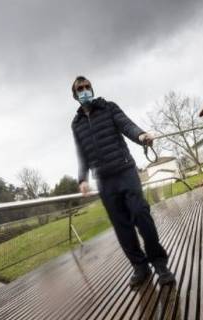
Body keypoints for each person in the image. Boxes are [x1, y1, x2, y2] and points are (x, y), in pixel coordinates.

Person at [70, 75, 175, 288]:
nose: (85, 90)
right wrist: (82, 179)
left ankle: (159, 264)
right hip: (104, 181)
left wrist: (142, 136)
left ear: (92, 88)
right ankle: (140, 267)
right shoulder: (76, 124)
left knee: (140, 213)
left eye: (87, 86)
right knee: (121, 226)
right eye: (80, 88)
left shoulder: (108, 107)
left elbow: (127, 125)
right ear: (75, 95)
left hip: (125, 171)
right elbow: (81, 154)